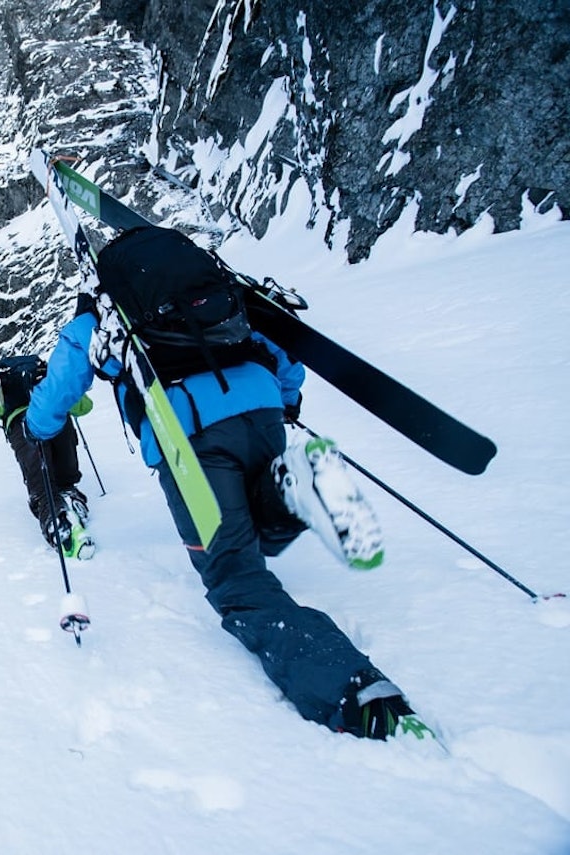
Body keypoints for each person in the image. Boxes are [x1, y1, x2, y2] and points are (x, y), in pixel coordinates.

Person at [23, 232, 432, 742]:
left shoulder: (105, 309)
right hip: (262, 411)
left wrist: (36, 429)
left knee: (237, 581)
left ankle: (348, 691)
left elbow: (60, 386)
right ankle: (291, 488)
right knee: (258, 532)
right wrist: (284, 402)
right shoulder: (207, 282)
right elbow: (279, 343)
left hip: (188, 437)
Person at [0, 354, 96, 559]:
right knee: (63, 474)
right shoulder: (48, 389)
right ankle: (69, 495)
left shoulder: (2, 399)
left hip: (22, 429)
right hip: (55, 420)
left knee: (41, 486)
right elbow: (85, 407)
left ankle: (56, 522)